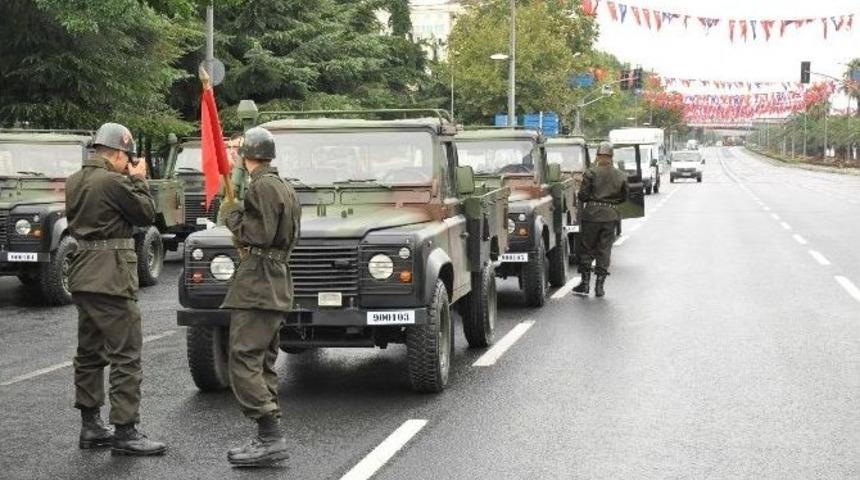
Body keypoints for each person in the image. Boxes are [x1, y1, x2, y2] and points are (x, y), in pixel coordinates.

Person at [66, 122, 166, 455]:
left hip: (83, 275)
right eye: (128, 157)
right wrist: (139, 180)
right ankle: (126, 431)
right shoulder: (113, 181)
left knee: (89, 353)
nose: (129, 163)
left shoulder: (75, 180)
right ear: (119, 154)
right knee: (126, 354)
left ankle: (91, 425)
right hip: (111, 277)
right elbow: (146, 214)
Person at [219, 127, 301, 467]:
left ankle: (270, 436)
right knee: (262, 360)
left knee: (243, 359)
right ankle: (268, 436)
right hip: (273, 281)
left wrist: (231, 215)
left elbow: (258, 233)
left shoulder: (262, 187)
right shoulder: (282, 185)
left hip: (259, 282)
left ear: (246, 156)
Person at [572, 141, 629, 297]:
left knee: (587, 249)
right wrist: (611, 204)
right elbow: (624, 197)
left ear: (598, 156)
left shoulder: (591, 173)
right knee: (605, 250)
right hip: (610, 216)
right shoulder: (621, 175)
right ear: (612, 156)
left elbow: (583, 196)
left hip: (591, 215)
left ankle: (585, 284)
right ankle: (599, 287)